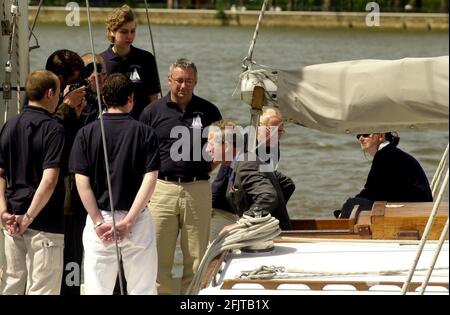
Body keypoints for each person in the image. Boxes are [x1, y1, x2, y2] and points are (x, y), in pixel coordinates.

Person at [69, 73, 160, 295]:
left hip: (99, 218)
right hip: (136, 218)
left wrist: (98, 221)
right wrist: (129, 221)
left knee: (96, 289)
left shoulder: (86, 133)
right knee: (143, 289)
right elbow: (150, 179)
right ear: (131, 98)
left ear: (104, 98)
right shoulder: (145, 133)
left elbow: (82, 181)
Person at [139, 58, 222, 294]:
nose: (183, 86)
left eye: (189, 81)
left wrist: (206, 168)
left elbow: (222, 147)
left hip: (198, 189)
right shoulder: (151, 112)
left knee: (197, 260)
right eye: (179, 81)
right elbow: (140, 154)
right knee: (157, 259)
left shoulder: (209, 111)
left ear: (196, 82)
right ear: (169, 81)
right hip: (161, 190)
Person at [0, 70, 66, 294]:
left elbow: (1, 173)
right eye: (58, 94)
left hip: (11, 220)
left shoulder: (9, 126)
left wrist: (3, 211)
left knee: (11, 285)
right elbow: (49, 180)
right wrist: (29, 216)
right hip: (44, 223)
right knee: (43, 289)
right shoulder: (54, 130)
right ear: (49, 93)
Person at [209, 108, 294, 241]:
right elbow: (225, 171)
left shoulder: (271, 150)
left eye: (280, 131)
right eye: (271, 129)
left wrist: (265, 212)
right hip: (222, 207)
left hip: (244, 215)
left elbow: (281, 186)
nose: (276, 135)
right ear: (260, 127)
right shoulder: (244, 144)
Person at [336, 132, 433, 218]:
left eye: (366, 134)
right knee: (354, 203)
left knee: (352, 204)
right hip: (419, 205)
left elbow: (371, 191)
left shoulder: (385, 155)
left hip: (413, 208)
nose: (361, 138)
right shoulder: (390, 152)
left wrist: (345, 210)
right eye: (358, 135)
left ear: (381, 136)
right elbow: (376, 190)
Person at [100, 4, 161, 120]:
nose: (129, 36)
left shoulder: (146, 59)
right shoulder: (101, 60)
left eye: (132, 31)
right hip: (110, 124)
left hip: (141, 124)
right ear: (112, 31)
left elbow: (153, 97)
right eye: (124, 32)